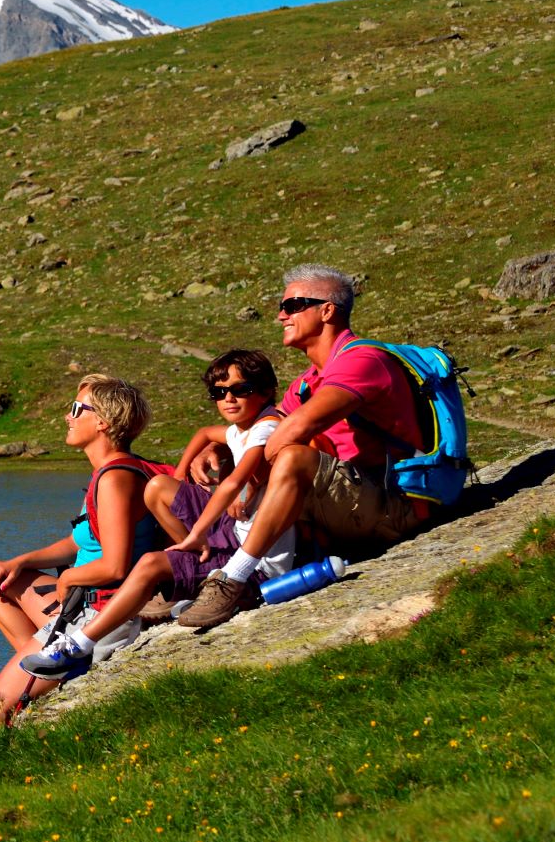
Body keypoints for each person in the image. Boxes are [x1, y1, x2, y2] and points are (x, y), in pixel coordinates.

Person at [174, 264, 431, 630]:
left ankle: (233, 579)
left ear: (327, 311)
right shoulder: (308, 382)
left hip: (395, 509)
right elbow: (265, 426)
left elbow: (296, 427)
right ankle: (200, 573)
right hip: (348, 507)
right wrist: (222, 449)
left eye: (293, 305)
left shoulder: (362, 360)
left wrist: (247, 478)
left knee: (293, 455)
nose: (281, 315)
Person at [15, 352, 295, 679]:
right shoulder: (239, 430)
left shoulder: (266, 427)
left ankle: (78, 644)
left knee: (150, 562)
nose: (228, 398)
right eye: (218, 393)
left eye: (240, 389)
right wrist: (180, 473)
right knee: (159, 488)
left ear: (266, 390)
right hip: (233, 541)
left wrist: (197, 532)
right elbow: (205, 433)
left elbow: (234, 483)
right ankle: (192, 573)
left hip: (254, 564)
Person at [0, 373, 160, 730]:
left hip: (100, 610)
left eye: (77, 409)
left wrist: (70, 576)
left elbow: (117, 565)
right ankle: (39, 669)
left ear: (102, 421)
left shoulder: (116, 479)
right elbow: (81, 541)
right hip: (82, 602)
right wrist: (21, 561)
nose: (67, 417)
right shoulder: (113, 473)